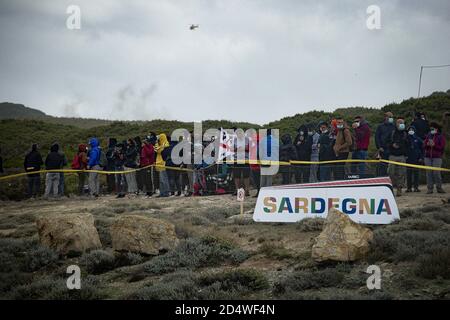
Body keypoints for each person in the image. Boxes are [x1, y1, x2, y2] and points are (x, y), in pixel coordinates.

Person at [387, 118, 409, 196]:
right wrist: (392, 145)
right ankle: (391, 188)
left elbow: (408, 145)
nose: (401, 124)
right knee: (391, 173)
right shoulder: (392, 132)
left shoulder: (406, 133)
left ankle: (399, 189)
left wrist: (406, 153)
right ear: (396, 124)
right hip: (392, 155)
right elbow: (387, 142)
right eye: (399, 123)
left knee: (401, 173)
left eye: (402, 123)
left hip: (402, 156)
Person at [424, 122, 446, 194]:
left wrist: (434, 145)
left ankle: (439, 187)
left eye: (433, 128)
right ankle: (430, 188)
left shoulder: (440, 136)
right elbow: (424, 145)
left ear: (436, 128)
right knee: (429, 173)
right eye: (431, 128)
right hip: (428, 157)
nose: (431, 129)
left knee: (436, 173)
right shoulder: (428, 135)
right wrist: (427, 145)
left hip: (437, 157)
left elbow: (442, 147)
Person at [375, 112, 396, 176]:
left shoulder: (394, 126)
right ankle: (381, 179)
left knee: (391, 167)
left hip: (392, 149)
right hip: (383, 149)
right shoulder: (380, 126)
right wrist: (379, 147)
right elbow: (377, 137)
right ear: (385, 117)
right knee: (382, 166)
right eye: (389, 117)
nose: (391, 118)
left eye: (392, 117)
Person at [232, 129, 251, 196]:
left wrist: (243, 148)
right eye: (237, 133)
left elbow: (250, 148)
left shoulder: (247, 139)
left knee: (246, 176)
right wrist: (236, 149)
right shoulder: (234, 140)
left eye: (240, 133)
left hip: (245, 159)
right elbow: (231, 149)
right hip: (236, 159)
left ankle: (247, 190)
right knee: (236, 176)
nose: (239, 135)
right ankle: (237, 190)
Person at [405, 126, 423, 193]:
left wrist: (421, 157)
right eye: (410, 129)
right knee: (408, 174)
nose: (411, 130)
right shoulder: (406, 139)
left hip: (416, 159)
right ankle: (409, 188)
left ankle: (416, 187)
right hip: (408, 159)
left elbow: (422, 149)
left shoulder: (418, 139)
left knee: (416, 174)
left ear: (415, 131)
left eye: (412, 129)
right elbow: (404, 148)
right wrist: (405, 155)